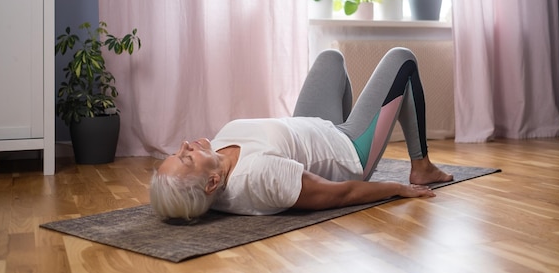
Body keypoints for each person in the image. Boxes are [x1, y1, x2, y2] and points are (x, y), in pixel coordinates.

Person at [150, 48, 453, 220]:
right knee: (402, 59)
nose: (185, 145)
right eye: (186, 158)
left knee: (330, 59)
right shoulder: (260, 176)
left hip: (311, 125)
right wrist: (394, 188)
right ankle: (421, 166)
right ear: (213, 183)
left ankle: (359, 122)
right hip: (346, 148)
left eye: (178, 153)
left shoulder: (215, 160)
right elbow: (340, 194)